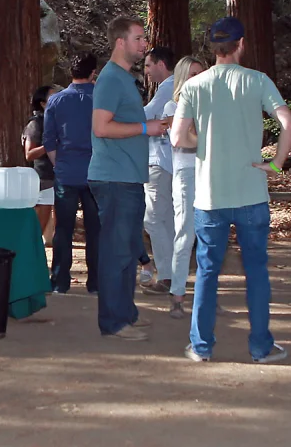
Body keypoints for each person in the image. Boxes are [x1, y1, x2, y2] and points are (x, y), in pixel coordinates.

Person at [172, 16, 291, 363]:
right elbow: (289, 123)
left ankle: (201, 346)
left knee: (208, 272)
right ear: (241, 44)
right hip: (251, 193)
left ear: (213, 48)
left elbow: (177, 137)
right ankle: (260, 347)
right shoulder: (258, 81)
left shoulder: (195, 86)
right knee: (256, 272)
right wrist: (275, 164)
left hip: (209, 196)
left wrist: (205, 142)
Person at [90, 17, 169, 341]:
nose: (144, 44)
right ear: (120, 42)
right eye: (138, 38)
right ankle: (113, 322)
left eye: (144, 39)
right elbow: (101, 127)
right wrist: (145, 128)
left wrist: (153, 126)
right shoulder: (110, 79)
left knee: (127, 249)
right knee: (117, 252)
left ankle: (127, 313)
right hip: (114, 179)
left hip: (127, 178)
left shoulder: (123, 79)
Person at [45, 54, 101, 295]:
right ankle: (96, 283)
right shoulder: (101, 99)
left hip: (66, 172)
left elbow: (49, 140)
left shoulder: (56, 101)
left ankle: (59, 282)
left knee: (63, 230)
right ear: (93, 73)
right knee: (96, 230)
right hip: (96, 171)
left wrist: (59, 165)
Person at [161, 55, 205, 317]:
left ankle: (207, 293)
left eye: (201, 73)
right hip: (186, 175)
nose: (197, 78)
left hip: (210, 174)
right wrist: (208, 138)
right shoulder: (172, 107)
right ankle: (177, 295)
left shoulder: (212, 105)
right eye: (192, 74)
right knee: (185, 234)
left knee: (210, 236)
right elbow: (181, 140)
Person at [141, 45, 177, 295]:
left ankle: (166, 274)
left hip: (161, 161)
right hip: (167, 160)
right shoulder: (168, 87)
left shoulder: (168, 87)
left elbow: (148, 115)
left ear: (161, 64)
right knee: (166, 217)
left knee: (154, 218)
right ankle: (173, 272)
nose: (146, 71)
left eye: (148, 65)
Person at [23, 84, 59, 235]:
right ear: (43, 103)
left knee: (62, 224)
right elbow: (29, 154)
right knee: (40, 225)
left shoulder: (60, 121)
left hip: (62, 176)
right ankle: (32, 254)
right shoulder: (35, 124)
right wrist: (49, 146)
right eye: (53, 96)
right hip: (45, 179)